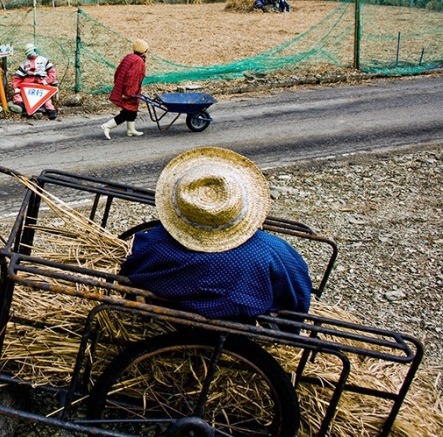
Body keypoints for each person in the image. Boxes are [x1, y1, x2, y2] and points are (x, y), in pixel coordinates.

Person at [119, 146, 312, 321]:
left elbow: (129, 274)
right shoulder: (274, 252)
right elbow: (298, 298)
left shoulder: (156, 246)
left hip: (172, 322)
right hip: (248, 330)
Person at [100, 39, 149, 139]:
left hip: (123, 86)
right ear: (143, 50)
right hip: (130, 89)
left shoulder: (129, 57)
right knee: (128, 111)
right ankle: (107, 126)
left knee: (132, 108)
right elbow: (133, 78)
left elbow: (118, 71)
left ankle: (131, 130)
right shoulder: (138, 61)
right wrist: (129, 93)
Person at [12, 43, 58, 120]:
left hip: (41, 83)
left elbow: (52, 72)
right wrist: (16, 87)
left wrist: (47, 80)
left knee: (46, 97)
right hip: (27, 86)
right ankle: (23, 106)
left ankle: (50, 109)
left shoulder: (44, 60)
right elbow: (17, 77)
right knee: (17, 96)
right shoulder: (24, 63)